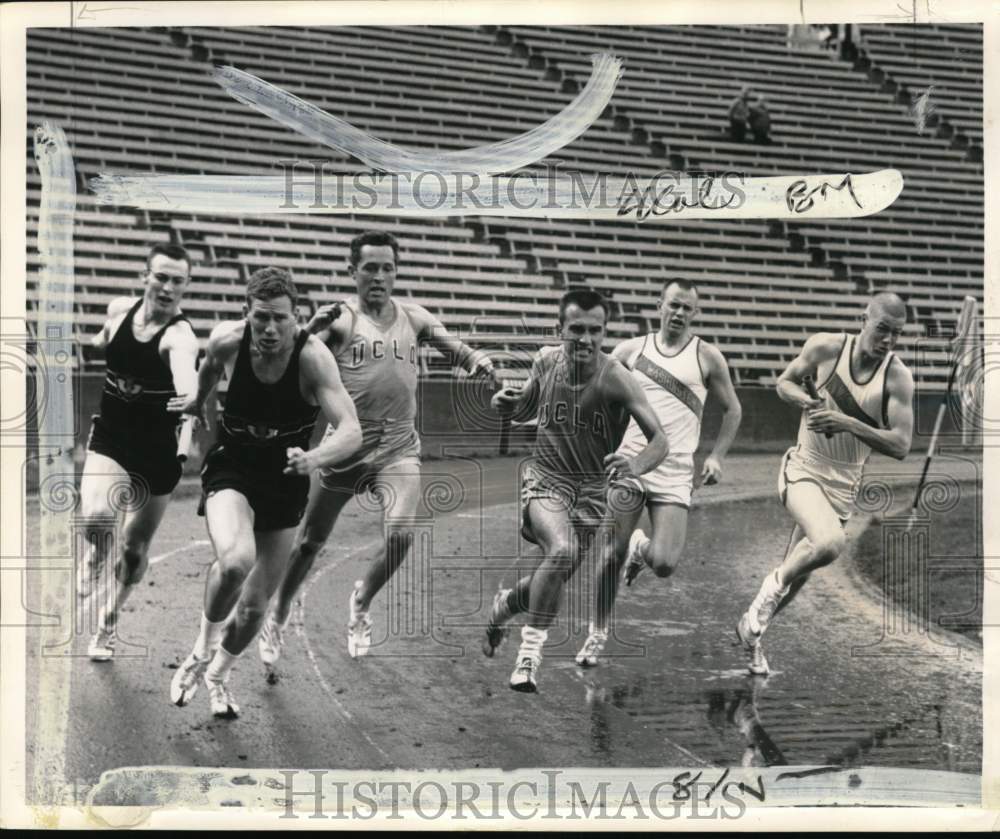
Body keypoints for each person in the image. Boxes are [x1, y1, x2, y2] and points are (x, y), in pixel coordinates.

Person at [258, 230, 498, 665]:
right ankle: (277, 615)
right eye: (369, 267)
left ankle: (361, 601)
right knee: (310, 542)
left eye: (387, 267)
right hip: (346, 447)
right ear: (352, 271)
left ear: (396, 271)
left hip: (398, 449)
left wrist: (478, 362)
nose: (379, 276)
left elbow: (456, 348)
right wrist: (309, 331)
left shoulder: (415, 317)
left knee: (402, 532)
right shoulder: (340, 319)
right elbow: (290, 366)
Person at [169, 268, 362, 717]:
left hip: (285, 478)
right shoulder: (226, 341)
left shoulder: (312, 358)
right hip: (232, 467)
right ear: (247, 314)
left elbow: (351, 430)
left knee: (254, 611)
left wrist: (314, 458)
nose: (270, 329)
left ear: (297, 318)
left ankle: (219, 674)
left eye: (280, 319)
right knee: (236, 560)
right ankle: (200, 652)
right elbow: (209, 370)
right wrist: (197, 403)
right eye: (261, 319)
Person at [482, 289, 668, 693]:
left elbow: (659, 440)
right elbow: (527, 407)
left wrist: (633, 466)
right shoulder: (546, 361)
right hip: (545, 479)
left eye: (595, 331)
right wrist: (506, 404)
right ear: (559, 329)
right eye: (576, 330)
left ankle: (505, 606)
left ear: (605, 332)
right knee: (562, 552)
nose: (585, 340)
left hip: (590, 493)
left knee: (551, 578)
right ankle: (529, 658)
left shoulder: (617, 378)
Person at [735, 292, 914, 675]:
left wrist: (846, 421)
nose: (887, 341)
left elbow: (901, 444)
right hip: (803, 468)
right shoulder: (825, 347)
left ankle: (752, 633)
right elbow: (784, 383)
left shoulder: (897, 377)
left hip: (843, 487)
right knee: (830, 544)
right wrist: (807, 402)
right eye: (882, 329)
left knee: (797, 571)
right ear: (863, 318)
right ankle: (762, 598)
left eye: (896, 334)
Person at [575, 280, 743, 667]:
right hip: (631, 462)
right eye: (674, 305)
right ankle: (598, 632)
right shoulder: (631, 350)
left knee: (665, 563)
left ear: (695, 313)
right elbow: (595, 398)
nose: (680, 313)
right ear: (659, 306)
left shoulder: (708, 357)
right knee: (610, 552)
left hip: (675, 471)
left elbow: (733, 409)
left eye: (687, 307)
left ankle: (642, 547)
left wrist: (716, 457)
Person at [79, 243, 199, 661]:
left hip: (157, 453)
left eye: (177, 281)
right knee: (96, 516)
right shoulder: (118, 312)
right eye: (160, 277)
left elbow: (187, 376)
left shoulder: (180, 338)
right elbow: (103, 339)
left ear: (186, 286)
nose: (167, 287)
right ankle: (95, 553)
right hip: (112, 436)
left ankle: (108, 623)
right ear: (144, 276)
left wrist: (189, 397)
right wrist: (95, 344)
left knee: (133, 549)